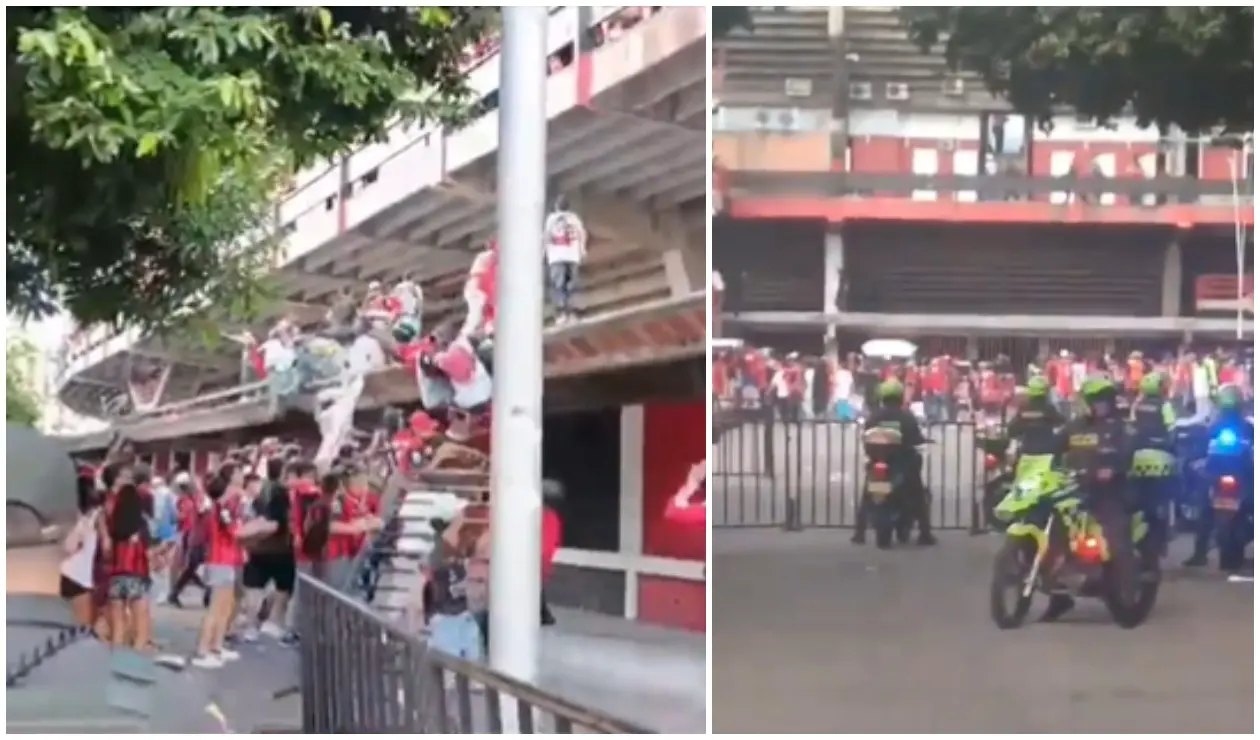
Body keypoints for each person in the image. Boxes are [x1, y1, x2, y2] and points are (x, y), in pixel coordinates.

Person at [1042, 378, 1137, 621]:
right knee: (1052, 541)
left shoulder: (1119, 427)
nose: (1101, 406)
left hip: (1109, 493)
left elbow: (1127, 451)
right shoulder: (1074, 426)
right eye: (1096, 401)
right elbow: (1052, 447)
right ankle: (1059, 598)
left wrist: (1112, 469)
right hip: (1074, 490)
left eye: (1105, 401)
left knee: (1116, 540)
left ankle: (1127, 597)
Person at [852, 379, 936, 546]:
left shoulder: (874, 416)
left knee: (867, 496)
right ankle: (925, 533)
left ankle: (859, 533)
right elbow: (915, 437)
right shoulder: (906, 416)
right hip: (902, 463)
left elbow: (866, 436)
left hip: (878, 462)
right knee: (917, 495)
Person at [1186, 384, 1255, 568]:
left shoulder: (1247, 427)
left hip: (1241, 474)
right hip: (1217, 474)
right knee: (1203, 505)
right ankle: (1199, 552)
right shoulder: (1214, 426)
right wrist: (1195, 460)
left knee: (1205, 508)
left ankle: (1200, 553)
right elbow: (1199, 447)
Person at [191, 464, 246, 668]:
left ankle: (217, 646)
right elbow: (234, 530)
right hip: (219, 558)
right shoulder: (225, 503)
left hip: (228, 558)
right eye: (239, 471)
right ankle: (202, 651)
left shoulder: (232, 501)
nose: (242, 475)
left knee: (226, 605)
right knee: (217, 606)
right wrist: (257, 527)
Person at [238, 458, 296, 642]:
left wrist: (249, 540)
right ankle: (272, 622)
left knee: (254, 587)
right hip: (280, 548)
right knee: (282, 588)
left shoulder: (260, 492)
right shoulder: (282, 492)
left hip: (258, 549)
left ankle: (251, 625)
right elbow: (276, 523)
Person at [1127, 372, 1177, 555]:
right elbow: (1172, 431)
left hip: (1137, 460)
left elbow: (1131, 428)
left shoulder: (1137, 405)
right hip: (1161, 459)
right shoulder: (1165, 405)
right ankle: (1166, 531)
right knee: (1171, 494)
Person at [60, 474, 102, 630]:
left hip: (66, 573)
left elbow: (67, 547)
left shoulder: (68, 514)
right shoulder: (97, 516)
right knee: (82, 631)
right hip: (83, 577)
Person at [1006, 376, 1066, 480]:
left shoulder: (1024, 409)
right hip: (1048, 454)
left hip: (1027, 453)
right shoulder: (1049, 409)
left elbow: (1012, 429)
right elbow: (1062, 422)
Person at [544, 194, 588, 325]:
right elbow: (582, 234)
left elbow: (546, 237)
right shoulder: (574, 219)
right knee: (570, 285)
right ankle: (570, 313)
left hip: (557, 257)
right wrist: (582, 249)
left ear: (556, 206)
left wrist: (544, 253)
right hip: (571, 255)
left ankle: (563, 313)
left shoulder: (551, 219)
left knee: (560, 286)